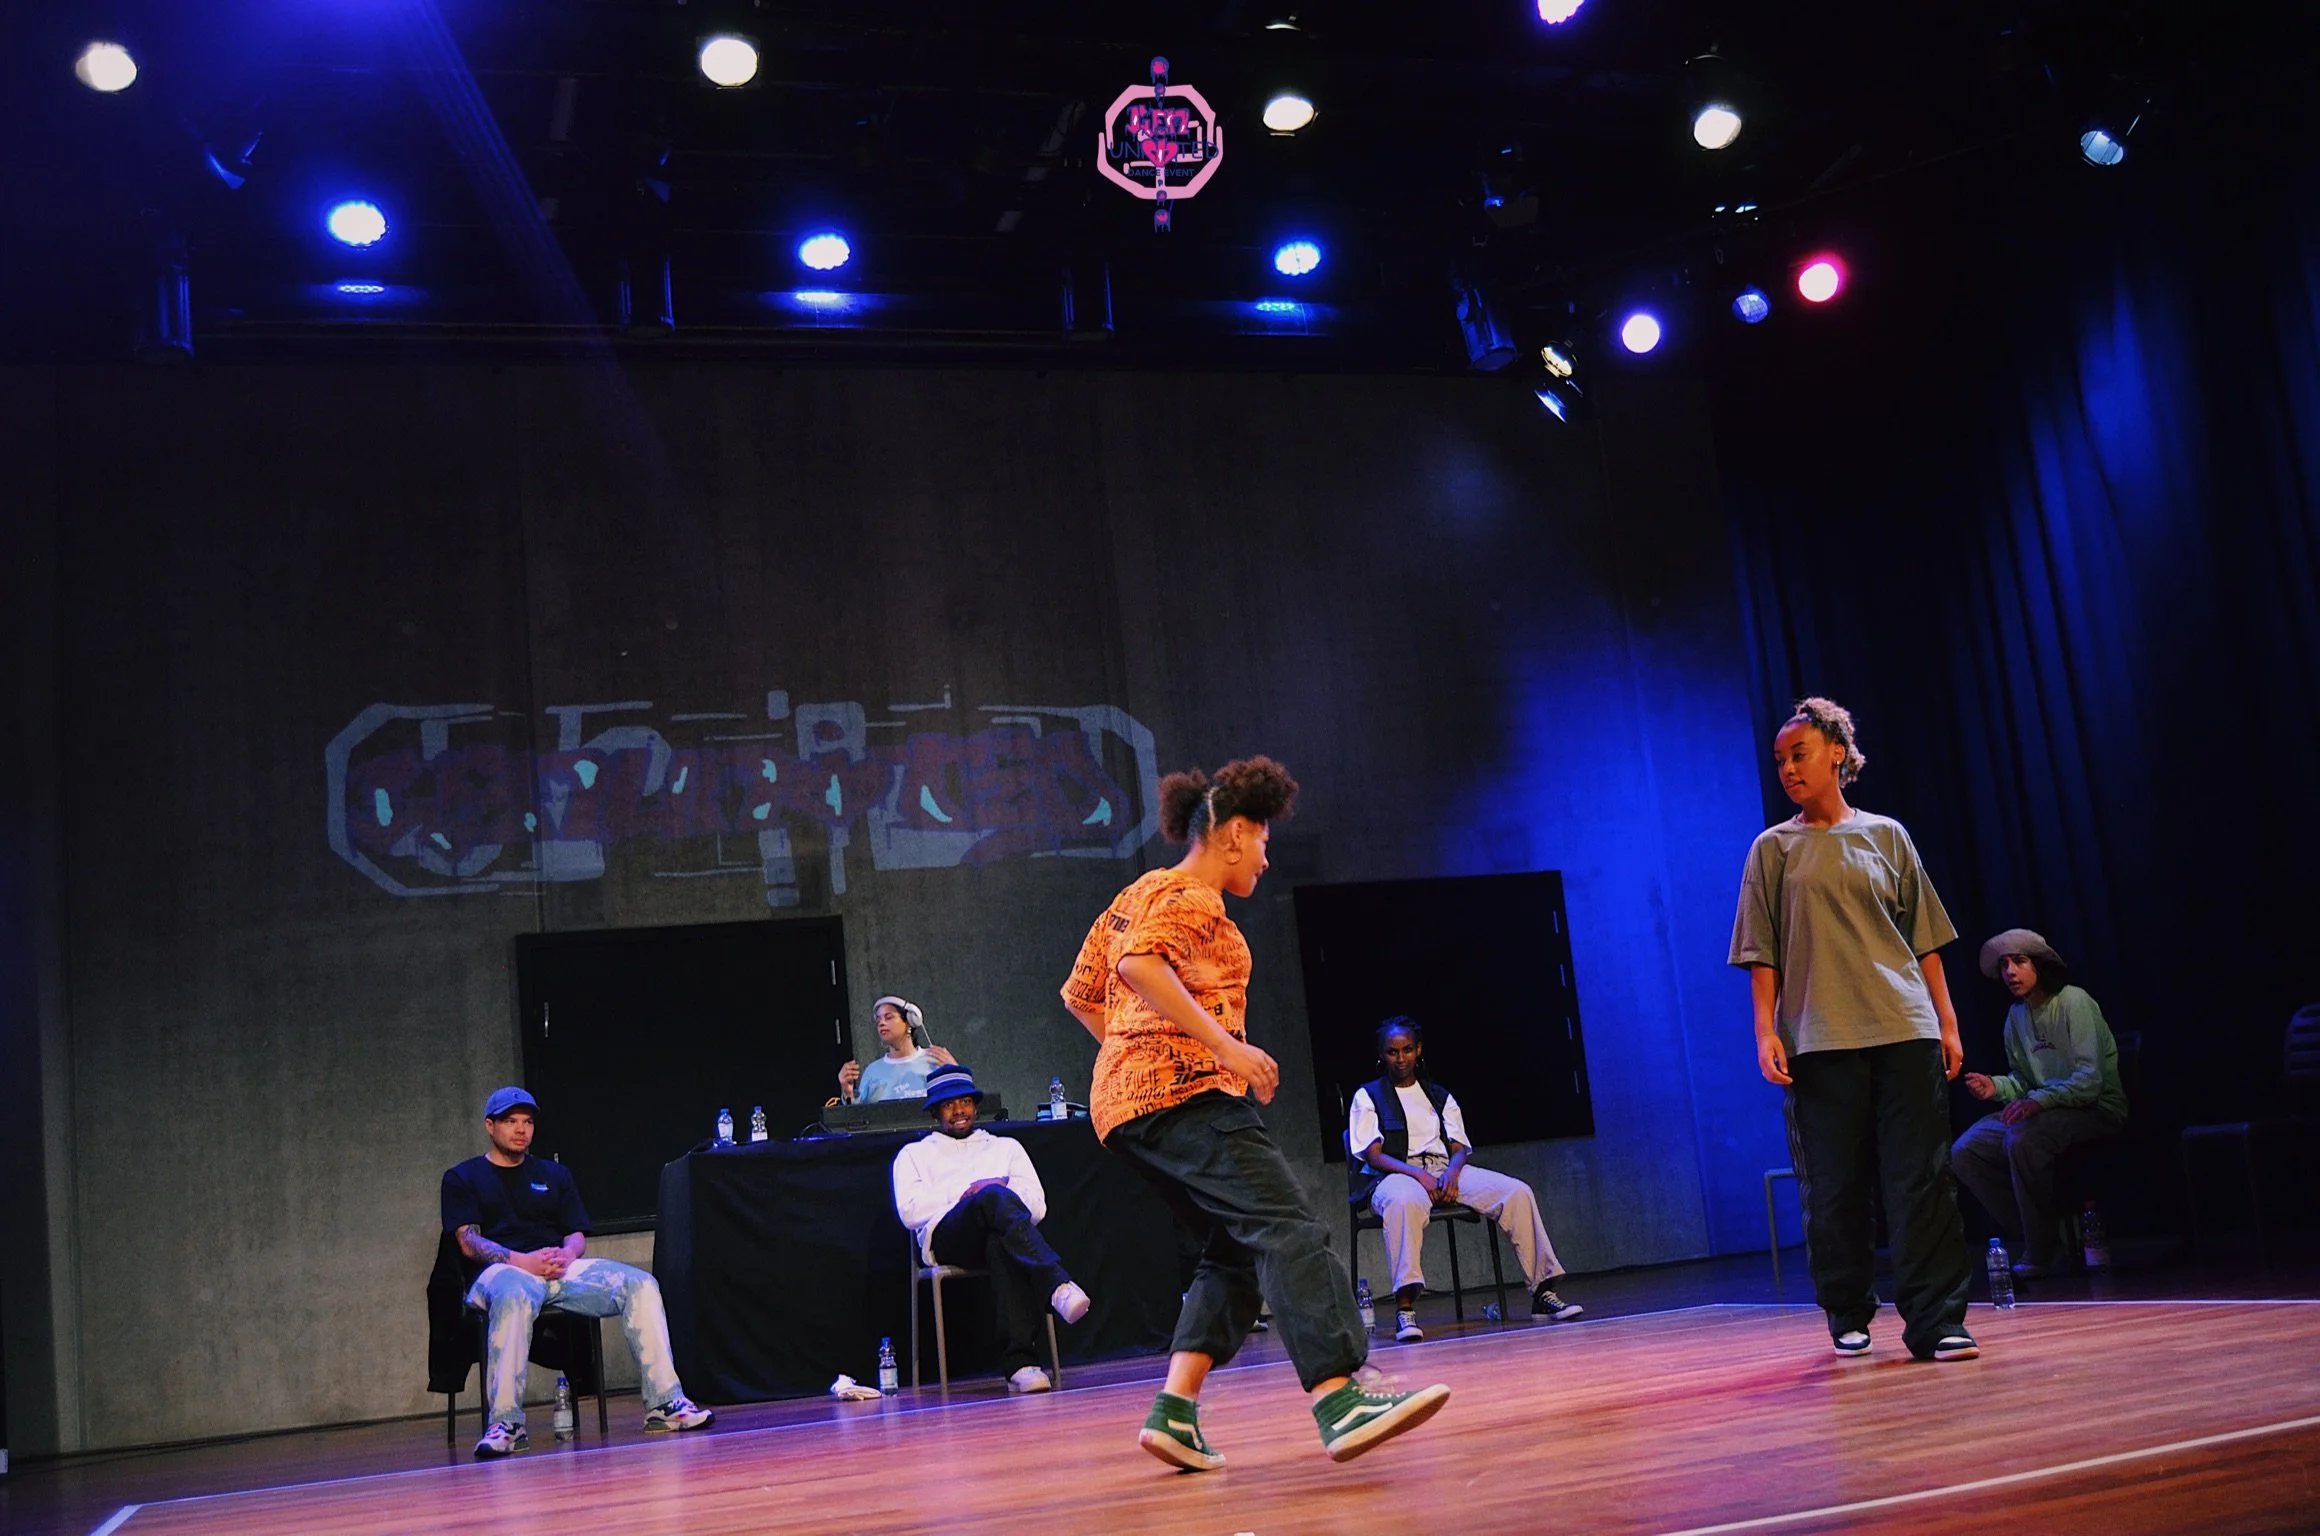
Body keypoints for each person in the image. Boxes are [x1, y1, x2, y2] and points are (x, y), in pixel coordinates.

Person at [1061, 756, 1449, 1470]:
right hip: (1187, 1098)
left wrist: (1132, 1055)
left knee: (1235, 1248)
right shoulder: (1192, 895)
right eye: (1264, 842)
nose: (1268, 859)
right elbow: (1138, 969)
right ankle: (1342, 1395)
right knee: (1289, 1227)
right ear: (1234, 833)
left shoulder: (1137, 890)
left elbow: (1083, 995)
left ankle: (1174, 1413)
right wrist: (1219, 1050)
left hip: (1123, 1109)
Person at [1728, 698, 1979, 1364]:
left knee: (1920, 1181)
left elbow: (1924, 939)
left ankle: (1936, 1322)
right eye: (1779, 760)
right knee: (1835, 1186)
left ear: (1837, 752)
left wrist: (1947, 1022)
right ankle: (1848, 1310)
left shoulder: (1887, 836)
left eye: (1799, 754)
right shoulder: (1773, 849)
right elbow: (1762, 950)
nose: (1787, 768)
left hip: (1903, 1027)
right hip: (1820, 1037)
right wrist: (1765, 1032)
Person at [442, 1087, 714, 1457]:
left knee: (640, 1284)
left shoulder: (554, 1174)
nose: (521, 1130)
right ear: (490, 1126)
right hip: (501, 1273)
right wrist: (525, 1261)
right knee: (514, 1291)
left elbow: (575, 1233)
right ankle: (506, 1423)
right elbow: (469, 1242)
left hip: (557, 1270)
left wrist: (567, 1255)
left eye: (527, 1122)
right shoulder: (463, 1177)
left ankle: (665, 1404)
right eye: (510, 1122)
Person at [1349, 1016, 1582, 1341]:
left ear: (1419, 1050)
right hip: (1394, 1174)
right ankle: (1405, 1309)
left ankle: (1542, 1293)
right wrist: (1418, 1175)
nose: (1400, 1058)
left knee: (1516, 1192)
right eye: (1392, 1052)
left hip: (1444, 1168)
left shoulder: (1438, 1095)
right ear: (1381, 1054)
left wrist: (1453, 1175)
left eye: (1407, 1050)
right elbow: (1374, 1155)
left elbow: (1459, 1148)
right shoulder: (1368, 1096)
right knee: (1404, 1200)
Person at [891, 1061, 1093, 1393]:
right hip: (948, 1237)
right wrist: (970, 1192)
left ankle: (1021, 1365)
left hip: (1002, 1236)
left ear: (975, 1104)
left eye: (964, 1102)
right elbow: (910, 1211)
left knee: (1000, 1240)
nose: (958, 1111)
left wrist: (992, 1193)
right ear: (935, 1112)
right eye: (948, 1105)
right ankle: (1056, 1284)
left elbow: (1037, 1206)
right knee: (992, 1196)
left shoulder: (1006, 1147)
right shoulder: (914, 1154)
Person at [1953, 929, 2129, 1278]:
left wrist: (2038, 1102)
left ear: (2040, 965)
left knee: (2022, 1138)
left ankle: (2040, 1252)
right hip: (2045, 1110)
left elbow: (2089, 1081)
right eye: (2004, 965)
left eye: (2019, 962)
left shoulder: (2073, 1002)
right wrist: (1996, 1087)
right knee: (1966, 1150)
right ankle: (2050, 1237)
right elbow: (2023, 1082)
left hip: (2095, 1110)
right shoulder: (2016, 1017)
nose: (2010, 972)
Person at [837, 995, 956, 1103]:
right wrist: (848, 1092)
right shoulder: (872, 1071)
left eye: (888, 1017)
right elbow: (859, 1116)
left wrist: (956, 1073)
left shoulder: (934, 1061)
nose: (881, 1023)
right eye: (878, 1020)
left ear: (909, 1021)